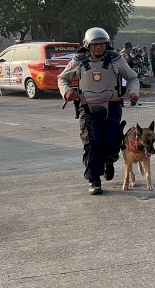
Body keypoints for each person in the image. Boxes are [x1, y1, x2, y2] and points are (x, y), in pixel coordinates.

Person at [58, 27, 139, 195]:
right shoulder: (79, 60)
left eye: (102, 44)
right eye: (94, 45)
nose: (98, 48)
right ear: (88, 45)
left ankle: (109, 161)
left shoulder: (115, 59)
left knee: (111, 142)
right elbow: (62, 78)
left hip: (112, 106)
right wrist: (67, 92)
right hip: (87, 108)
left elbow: (132, 77)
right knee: (91, 143)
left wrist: (133, 92)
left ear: (107, 44)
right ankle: (94, 179)